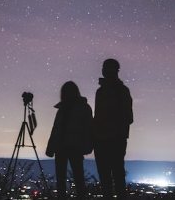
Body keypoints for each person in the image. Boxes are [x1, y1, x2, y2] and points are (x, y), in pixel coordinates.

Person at [45, 81, 93, 199]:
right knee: (70, 178)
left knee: (75, 179)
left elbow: (89, 128)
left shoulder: (77, 108)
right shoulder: (75, 108)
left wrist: (51, 148)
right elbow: (56, 129)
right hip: (67, 147)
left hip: (72, 147)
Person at [93, 58, 133, 199]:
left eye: (106, 68)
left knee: (111, 177)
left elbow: (128, 117)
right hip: (110, 140)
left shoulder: (117, 91)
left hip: (112, 140)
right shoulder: (104, 91)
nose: (103, 70)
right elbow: (129, 118)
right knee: (114, 176)